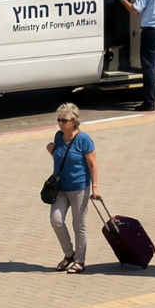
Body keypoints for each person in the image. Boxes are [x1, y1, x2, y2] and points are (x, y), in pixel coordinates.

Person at [46, 103, 99, 274]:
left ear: (74, 121)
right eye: (59, 120)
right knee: (56, 220)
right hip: (60, 188)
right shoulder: (59, 136)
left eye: (64, 120)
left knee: (79, 224)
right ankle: (69, 254)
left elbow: (93, 165)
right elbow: (59, 154)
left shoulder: (84, 140)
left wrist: (95, 188)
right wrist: (50, 149)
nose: (60, 124)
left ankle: (79, 260)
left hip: (79, 188)